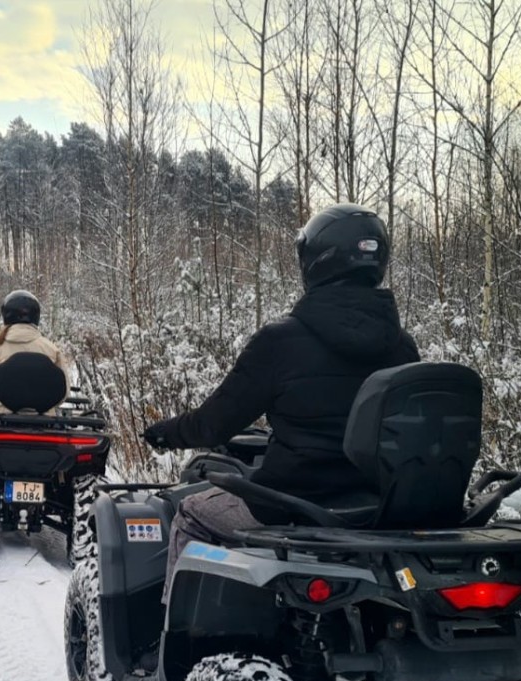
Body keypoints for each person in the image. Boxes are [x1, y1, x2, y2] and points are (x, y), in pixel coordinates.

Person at [143, 202, 419, 597]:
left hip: (296, 502)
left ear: (314, 261)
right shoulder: (403, 346)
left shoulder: (281, 341)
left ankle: (175, 645)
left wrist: (165, 433)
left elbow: (214, 425)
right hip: (378, 508)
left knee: (192, 512)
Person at [0, 290, 71, 415]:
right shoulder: (51, 349)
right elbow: (63, 391)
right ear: (36, 315)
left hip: (4, 419)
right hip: (45, 420)